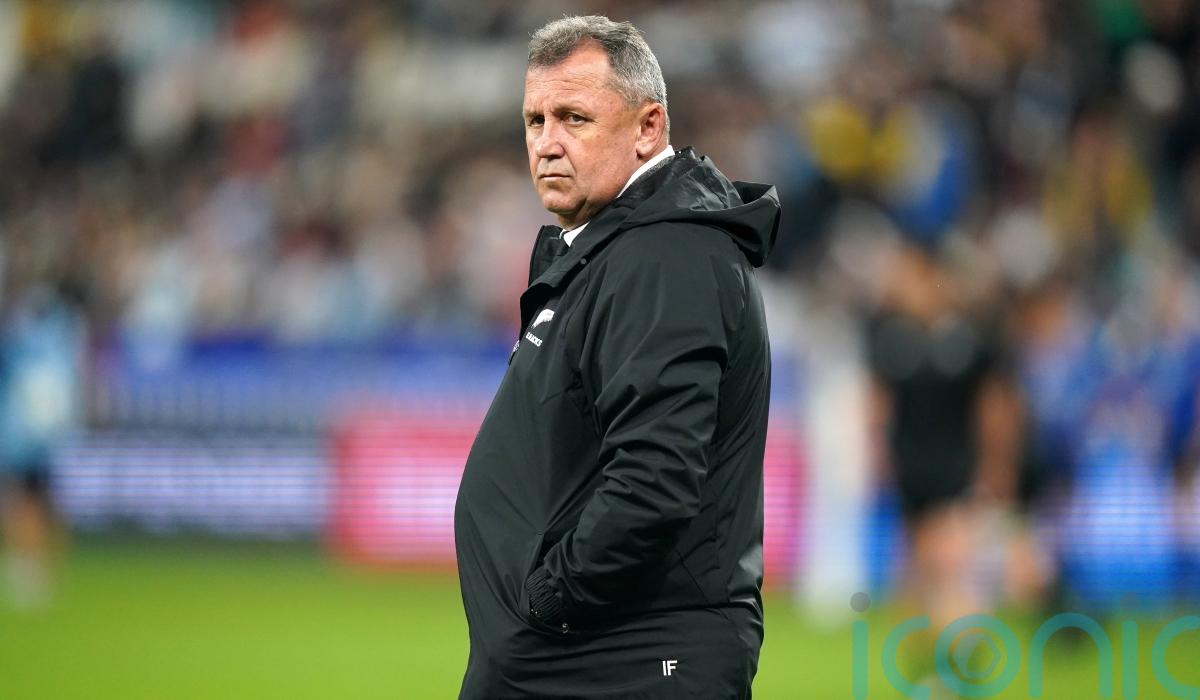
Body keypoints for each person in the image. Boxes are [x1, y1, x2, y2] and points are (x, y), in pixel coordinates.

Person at [453, 15, 780, 699]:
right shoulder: (623, 250)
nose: (547, 142)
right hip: (588, 655)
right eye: (535, 120)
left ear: (648, 127)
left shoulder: (666, 256)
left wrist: (550, 599)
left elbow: (655, 476)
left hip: (622, 659)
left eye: (574, 118)